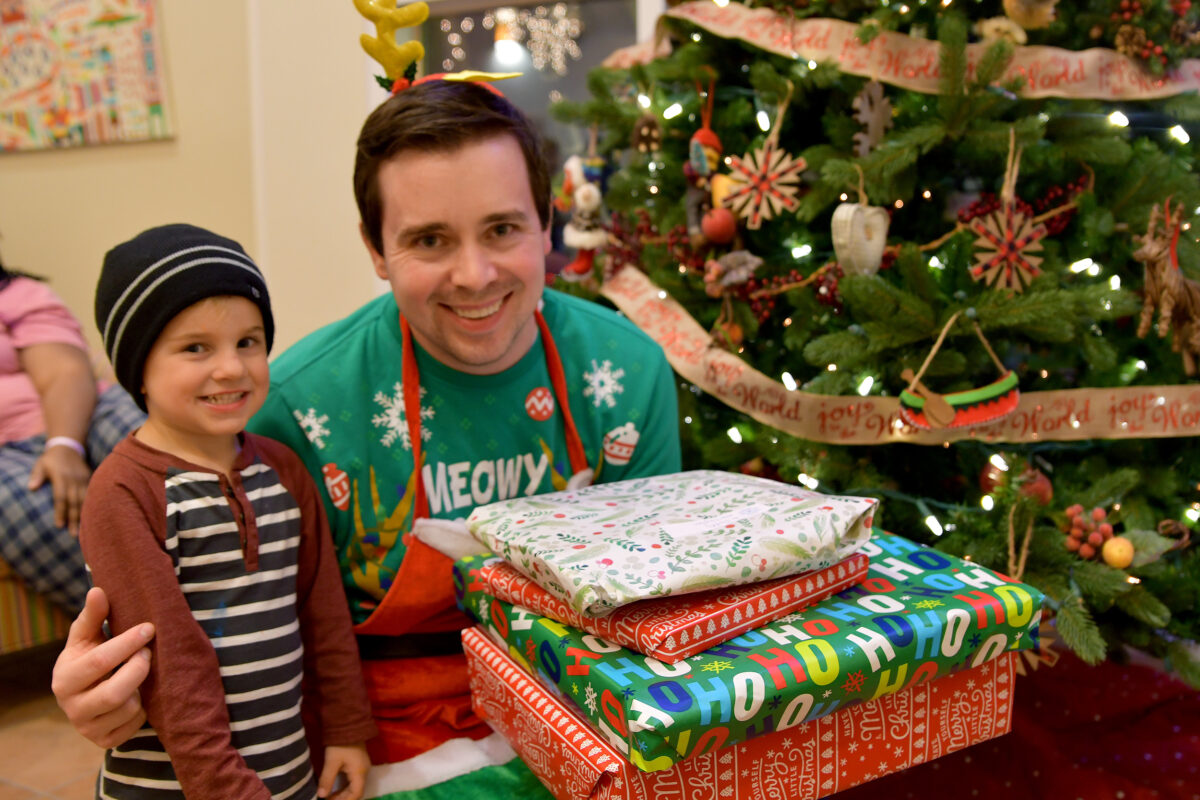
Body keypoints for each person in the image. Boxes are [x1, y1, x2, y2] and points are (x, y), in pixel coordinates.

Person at [53, 78, 681, 782]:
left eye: (502, 229)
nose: (474, 275)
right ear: (375, 249)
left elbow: (657, 610)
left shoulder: (626, 371)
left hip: (584, 712)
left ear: (546, 224)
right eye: (429, 240)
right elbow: (199, 620)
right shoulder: (289, 406)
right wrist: (101, 683)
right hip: (379, 747)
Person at [81, 224, 375, 799]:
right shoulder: (123, 493)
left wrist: (345, 727)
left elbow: (323, 613)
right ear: (139, 367)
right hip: (177, 786)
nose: (232, 368)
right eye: (196, 348)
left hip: (287, 773)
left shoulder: (285, 471)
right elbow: (168, 664)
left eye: (249, 341)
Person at [0, 256, 144, 613]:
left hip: (83, 412)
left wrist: (64, 445)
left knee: (146, 436)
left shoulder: (17, 296)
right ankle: (141, 630)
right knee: (25, 508)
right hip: (6, 457)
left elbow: (65, 370)